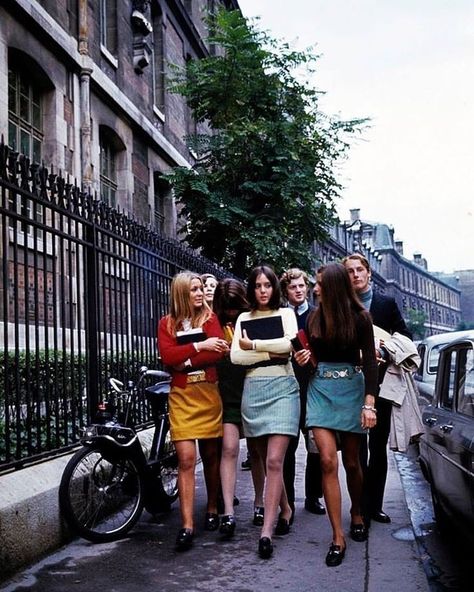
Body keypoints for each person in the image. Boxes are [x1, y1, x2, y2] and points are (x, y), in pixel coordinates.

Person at [295, 262, 378, 567]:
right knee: (327, 459)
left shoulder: (360, 318)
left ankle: (357, 510)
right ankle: (337, 536)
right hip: (320, 391)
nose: (314, 289)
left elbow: (370, 362)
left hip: (351, 392)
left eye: (318, 284)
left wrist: (369, 404)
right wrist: (303, 358)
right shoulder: (314, 316)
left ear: (333, 286)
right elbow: (309, 361)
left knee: (353, 461)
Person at [231, 265, 300, 559]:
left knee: (274, 460)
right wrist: (272, 350)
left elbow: (290, 345)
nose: (262, 290)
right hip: (253, 390)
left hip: (284, 387)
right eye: (257, 285)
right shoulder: (243, 317)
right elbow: (236, 356)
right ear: (252, 289)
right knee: (261, 456)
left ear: (275, 288)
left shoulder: (286, 314)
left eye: (267, 285)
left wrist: (255, 345)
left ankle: (266, 532)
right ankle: (285, 508)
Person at [158, 271, 229, 551]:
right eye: (193, 290)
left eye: (201, 288)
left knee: (211, 455)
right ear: (181, 294)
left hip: (208, 394)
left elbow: (218, 352)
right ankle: (187, 525)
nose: (200, 294)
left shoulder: (210, 319)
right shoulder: (167, 324)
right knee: (186, 459)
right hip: (182, 397)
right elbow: (168, 357)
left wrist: (183, 359)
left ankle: (212, 506)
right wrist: (199, 346)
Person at [343, 253, 412, 525]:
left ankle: (376, 505)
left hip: (381, 383)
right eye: (350, 272)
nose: (356, 275)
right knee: (356, 449)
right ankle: (358, 507)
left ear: (369, 273)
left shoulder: (386, 304)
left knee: (378, 447)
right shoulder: (343, 306)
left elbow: (405, 336)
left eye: (360, 270)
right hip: (351, 384)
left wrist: (384, 348)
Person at [213, 278, 266, 537]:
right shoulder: (214, 324)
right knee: (230, 448)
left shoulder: (252, 321)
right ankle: (228, 511)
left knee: (257, 452)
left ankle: (259, 503)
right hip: (227, 395)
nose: (231, 313)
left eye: (235, 306)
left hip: (252, 391)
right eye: (227, 307)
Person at [279, 268, 325, 518]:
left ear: (307, 287)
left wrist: (313, 357)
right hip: (287, 386)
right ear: (285, 291)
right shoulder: (282, 316)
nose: (298, 290)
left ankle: (313, 496)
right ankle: (288, 502)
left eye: (301, 286)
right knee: (287, 446)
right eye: (292, 287)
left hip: (313, 386)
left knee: (315, 445)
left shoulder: (318, 315)